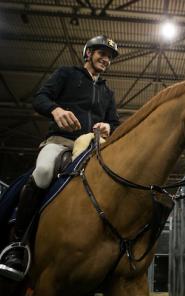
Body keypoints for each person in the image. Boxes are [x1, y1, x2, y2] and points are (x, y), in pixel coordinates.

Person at [0, 35, 120, 281]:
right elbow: (40, 98)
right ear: (88, 54)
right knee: (43, 172)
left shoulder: (108, 92)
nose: (105, 59)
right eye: (101, 53)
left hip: (93, 147)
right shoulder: (67, 74)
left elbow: (116, 123)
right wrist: (56, 110)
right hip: (61, 142)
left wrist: (109, 127)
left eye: (109, 56)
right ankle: (17, 245)